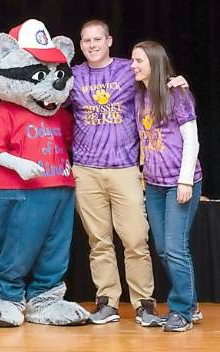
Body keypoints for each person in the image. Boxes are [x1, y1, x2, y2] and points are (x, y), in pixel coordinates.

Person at [68, 19, 187, 326]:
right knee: (99, 242)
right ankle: (107, 302)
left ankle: (144, 304)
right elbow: (46, 99)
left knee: (136, 240)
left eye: (97, 39)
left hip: (125, 169)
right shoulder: (74, 75)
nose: (92, 45)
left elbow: (156, 77)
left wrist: (176, 81)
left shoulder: (127, 69)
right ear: (80, 45)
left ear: (109, 40)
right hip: (86, 170)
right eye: (86, 41)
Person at [132, 40, 202, 332]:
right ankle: (192, 304)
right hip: (156, 185)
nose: (133, 66)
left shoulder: (177, 94)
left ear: (154, 63)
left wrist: (185, 180)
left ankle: (181, 311)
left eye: (138, 61)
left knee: (175, 248)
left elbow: (192, 140)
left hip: (180, 183)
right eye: (132, 61)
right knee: (162, 248)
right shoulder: (140, 95)